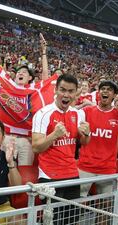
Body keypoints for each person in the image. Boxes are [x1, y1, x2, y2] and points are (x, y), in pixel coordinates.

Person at [32, 74, 90, 225]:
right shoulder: (43, 114)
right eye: (62, 90)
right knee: (52, 221)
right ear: (55, 90)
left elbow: (84, 142)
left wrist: (87, 133)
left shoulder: (78, 113)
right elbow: (36, 147)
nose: (66, 95)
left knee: (71, 220)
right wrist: (54, 135)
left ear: (76, 93)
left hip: (72, 174)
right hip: (50, 176)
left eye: (70, 91)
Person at [1, 33, 51, 166]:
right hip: (6, 138)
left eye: (24, 72)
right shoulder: (7, 87)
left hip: (25, 140)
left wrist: (44, 52)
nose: (20, 73)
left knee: (24, 174)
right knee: (2, 173)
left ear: (30, 78)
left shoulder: (33, 90)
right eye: (18, 72)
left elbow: (46, 79)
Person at [78, 80, 118, 197]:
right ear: (98, 93)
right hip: (85, 166)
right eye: (103, 89)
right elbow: (78, 136)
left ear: (114, 95)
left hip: (107, 168)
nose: (105, 91)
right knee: (77, 204)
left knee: (105, 205)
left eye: (109, 89)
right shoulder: (86, 111)